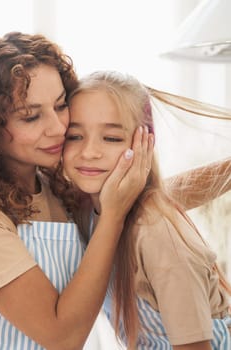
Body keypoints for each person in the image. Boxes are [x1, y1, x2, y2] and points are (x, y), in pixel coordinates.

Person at [0, 31, 230, 349]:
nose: (58, 127)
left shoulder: (57, 190)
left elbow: (146, 198)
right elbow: (61, 337)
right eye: (31, 116)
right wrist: (114, 214)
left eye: (61, 106)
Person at [62, 70, 231, 349]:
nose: (89, 151)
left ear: (144, 144)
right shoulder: (86, 212)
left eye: (112, 138)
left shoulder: (156, 233)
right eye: (75, 135)